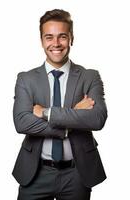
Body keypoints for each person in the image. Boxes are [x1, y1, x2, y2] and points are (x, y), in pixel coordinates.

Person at [12, 9, 107, 200]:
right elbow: (22, 123)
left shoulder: (90, 76)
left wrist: (46, 113)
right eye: (49, 37)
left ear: (71, 38)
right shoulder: (26, 79)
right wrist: (73, 118)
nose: (56, 44)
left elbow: (97, 119)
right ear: (41, 41)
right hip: (35, 172)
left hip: (77, 173)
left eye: (62, 36)